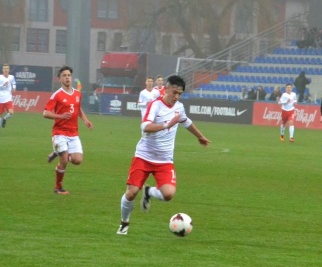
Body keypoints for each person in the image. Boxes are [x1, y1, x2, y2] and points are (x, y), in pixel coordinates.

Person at [117, 75, 210, 235]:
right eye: (174, 92)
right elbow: (145, 126)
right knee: (131, 193)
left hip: (164, 160)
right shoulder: (155, 105)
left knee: (168, 194)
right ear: (166, 89)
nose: (176, 97)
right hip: (144, 156)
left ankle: (148, 192)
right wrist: (167, 124)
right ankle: (124, 223)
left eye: (179, 94)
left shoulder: (179, 107)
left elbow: (186, 121)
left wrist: (200, 136)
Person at [44, 66, 94, 195]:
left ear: (71, 77)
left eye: (68, 75)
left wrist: (85, 120)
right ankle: (58, 187)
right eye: (64, 75)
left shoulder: (77, 94)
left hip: (73, 134)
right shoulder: (57, 95)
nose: (67, 77)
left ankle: (58, 152)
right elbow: (45, 113)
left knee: (78, 160)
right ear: (60, 78)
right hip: (59, 133)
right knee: (64, 160)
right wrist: (59, 116)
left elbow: (78, 109)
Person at [0, 63, 16, 135]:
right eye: (4, 68)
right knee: (0, 114)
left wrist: (14, 88)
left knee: (11, 112)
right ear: (2, 70)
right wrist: (2, 85)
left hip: (8, 98)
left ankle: (5, 119)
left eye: (7, 68)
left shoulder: (11, 77)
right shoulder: (0, 77)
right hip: (0, 99)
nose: (6, 70)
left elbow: (14, 83)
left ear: (9, 70)